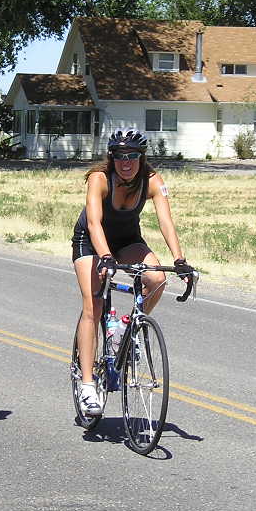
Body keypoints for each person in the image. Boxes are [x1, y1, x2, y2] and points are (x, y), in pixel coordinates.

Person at [70, 128, 195, 417]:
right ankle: (87, 385)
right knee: (94, 304)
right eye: (119, 156)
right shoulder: (99, 179)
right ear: (111, 158)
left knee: (156, 278)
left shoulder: (152, 181)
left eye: (132, 156)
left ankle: (126, 328)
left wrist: (179, 260)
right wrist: (104, 258)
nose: (126, 162)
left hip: (127, 240)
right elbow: (93, 224)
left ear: (142, 157)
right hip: (90, 241)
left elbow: (166, 221)